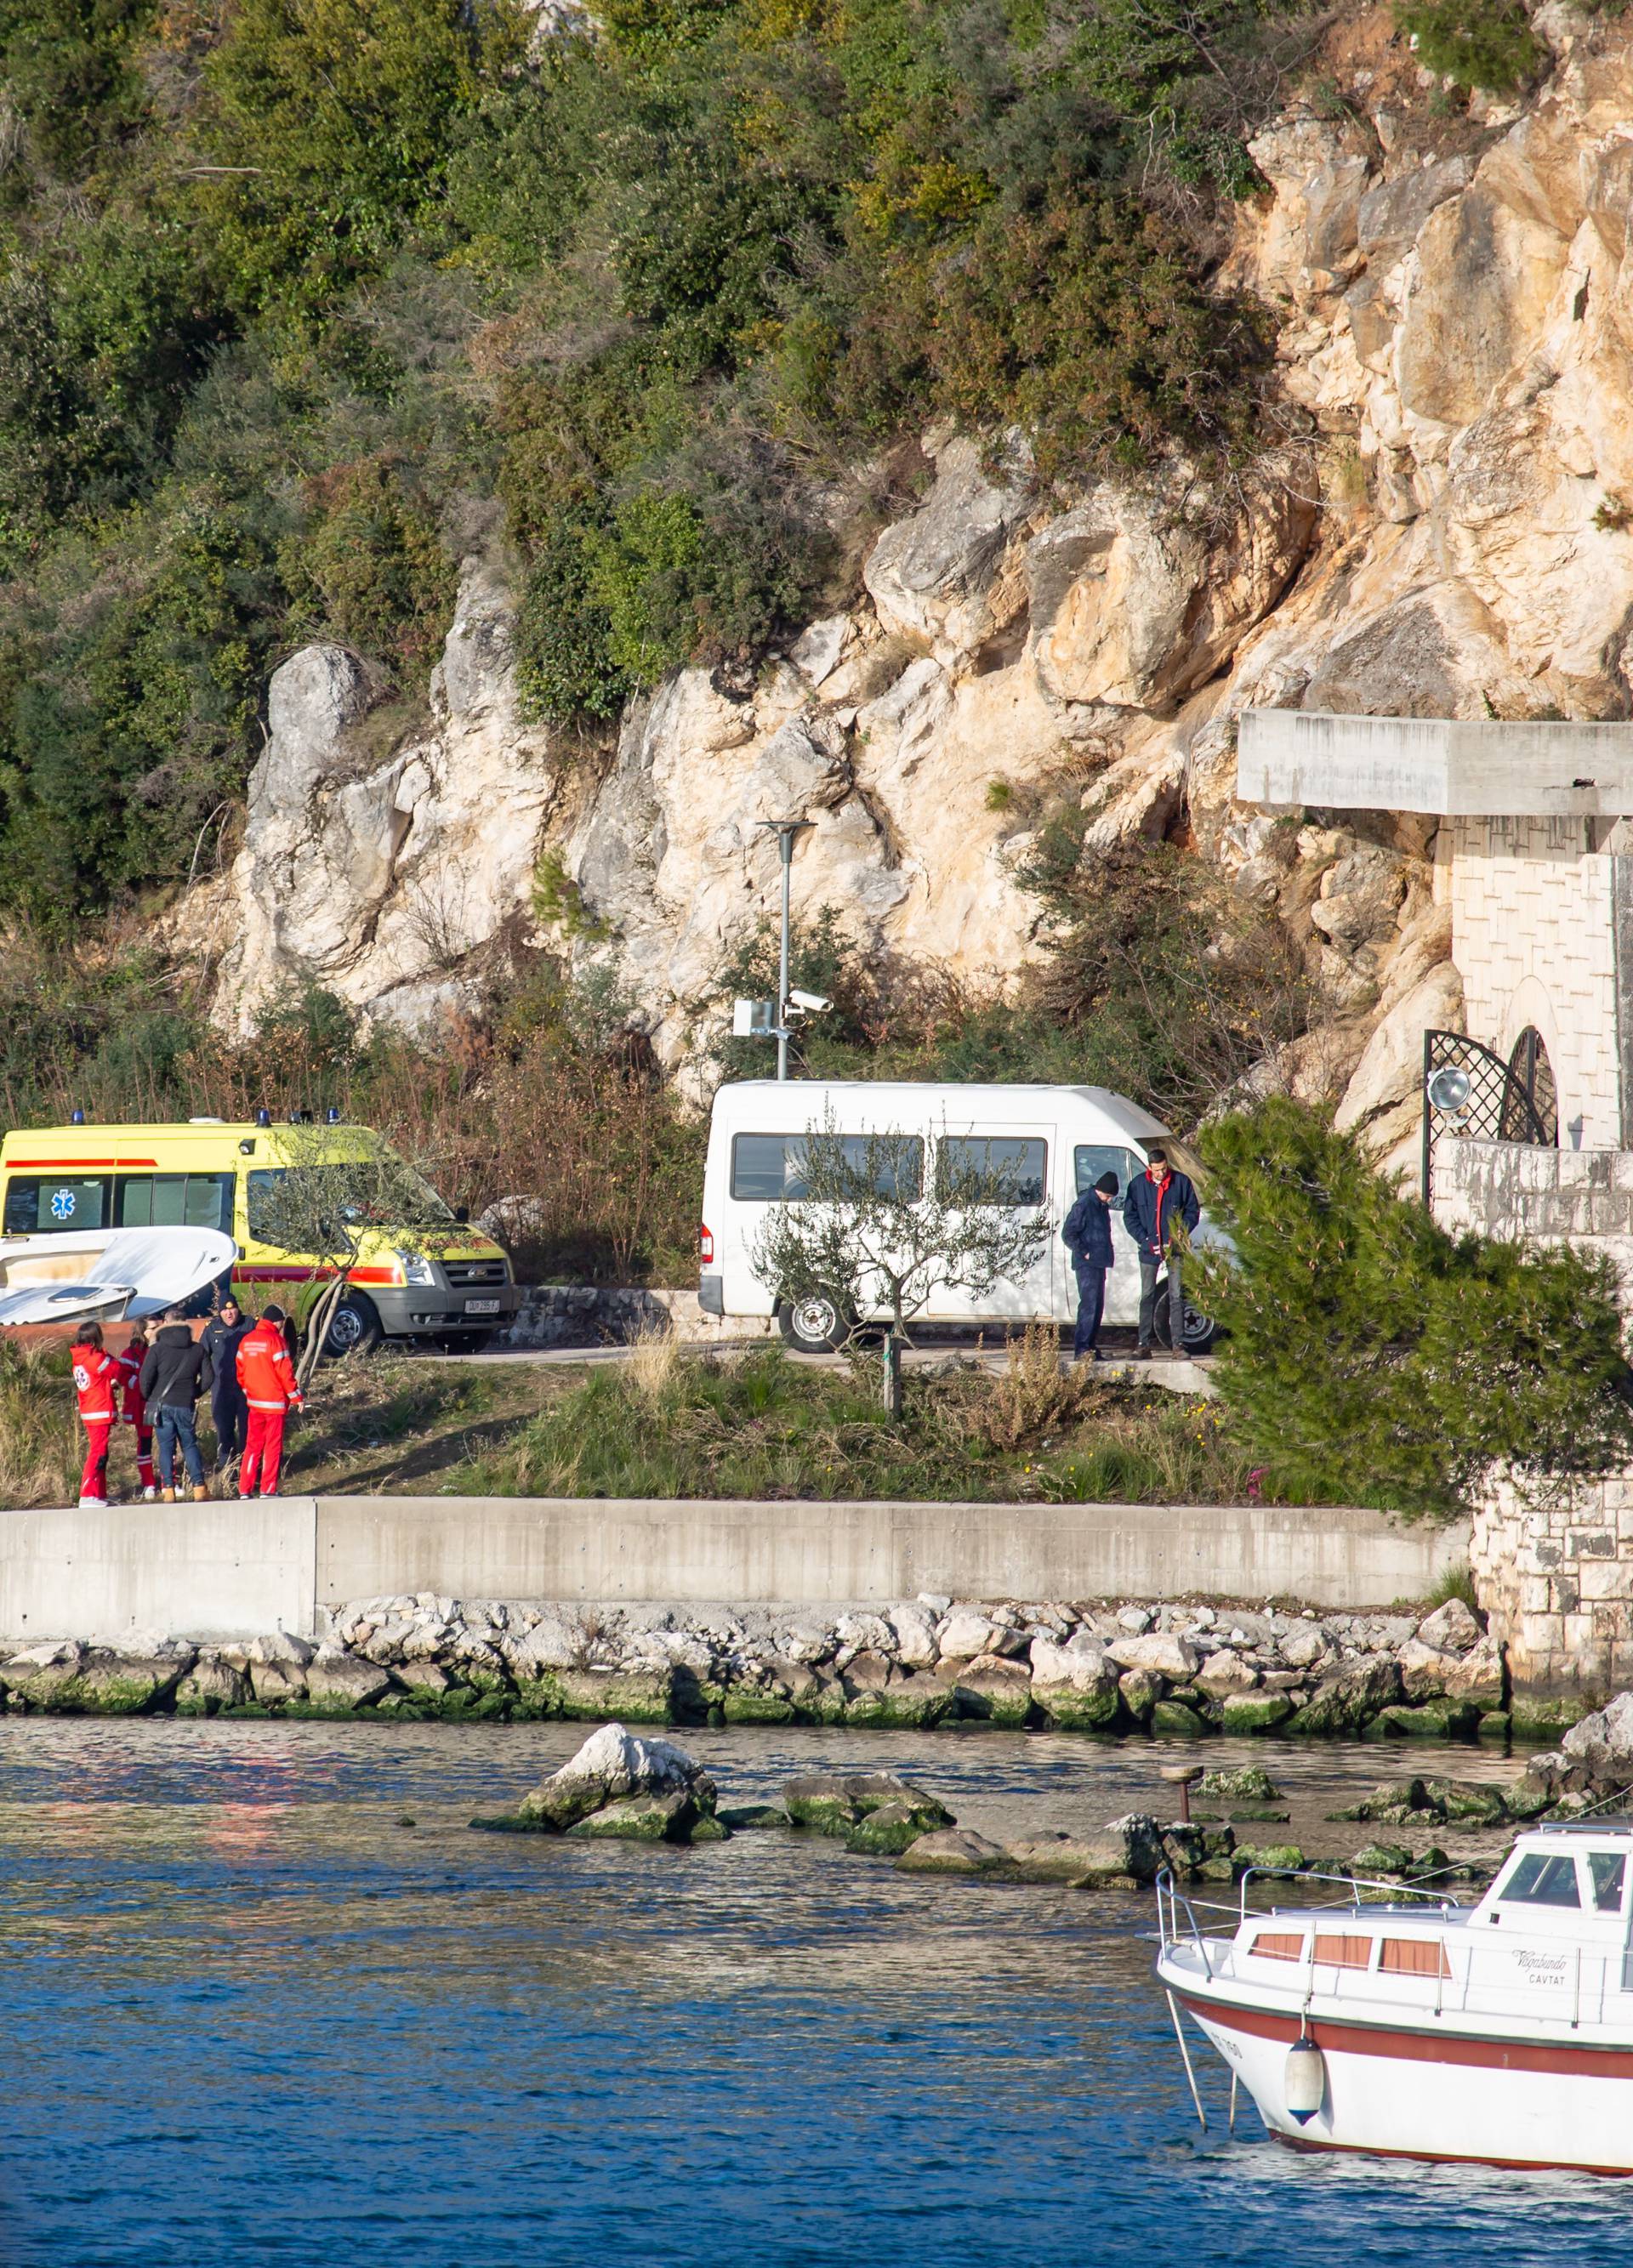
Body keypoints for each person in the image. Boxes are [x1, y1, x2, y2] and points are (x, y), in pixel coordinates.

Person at [1122, 1141, 1201, 1360]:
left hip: (1174, 1248)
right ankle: (1143, 1344)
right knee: (1147, 1295)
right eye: (1157, 1170)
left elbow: (1192, 1212)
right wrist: (1144, 1239)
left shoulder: (1181, 1183)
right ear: (1150, 1168)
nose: (1161, 1173)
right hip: (1149, 1249)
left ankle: (1178, 1345)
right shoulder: (1138, 1185)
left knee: (1176, 1295)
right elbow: (1130, 1216)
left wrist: (1178, 1234)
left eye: (1164, 1168)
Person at [139, 1306, 214, 1502]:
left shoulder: (156, 1349)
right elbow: (209, 1377)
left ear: (166, 1324)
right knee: (189, 1445)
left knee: (166, 1448)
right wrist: (194, 1392)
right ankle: (199, 1488)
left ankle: (169, 1491)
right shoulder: (197, 1349)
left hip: (162, 1404)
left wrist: (150, 1396)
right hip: (185, 1404)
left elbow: (145, 1378)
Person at [236, 1304, 304, 1499]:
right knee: (272, 1447)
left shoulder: (246, 1341)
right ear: (277, 1321)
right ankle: (268, 1489)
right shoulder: (277, 1341)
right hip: (274, 1405)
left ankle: (244, 1490)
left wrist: (248, 1391)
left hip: (254, 1403)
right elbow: (285, 1374)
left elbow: (240, 1372)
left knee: (252, 1447)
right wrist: (297, 1397)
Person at [1061, 1169, 1120, 1362]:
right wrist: (1084, 1251)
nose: (1110, 1200)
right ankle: (1082, 1348)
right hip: (1087, 1263)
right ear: (1100, 1191)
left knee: (1097, 1305)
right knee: (1089, 1305)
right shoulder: (1085, 1204)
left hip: (1098, 1262)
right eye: (1108, 1196)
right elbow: (1068, 1233)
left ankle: (1090, 1347)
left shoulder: (1100, 1205)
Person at [71, 1321, 122, 1510]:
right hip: (99, 1409)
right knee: (98, 1453)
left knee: (101, 1453)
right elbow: (116, 1368)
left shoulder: (79, 1357)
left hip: (89, 1409)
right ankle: (87, 1494)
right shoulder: (97, 1359)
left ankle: (98, 1492)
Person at [202, 1296, 253, 1480]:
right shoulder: (211, 1329)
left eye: (232, 1309)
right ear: (220, 1312)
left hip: (247, 1389)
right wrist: (204, 1382)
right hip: (222, 1389)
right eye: (225, 1310)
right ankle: (228, 1472)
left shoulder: (250, 1325)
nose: (229, 1313)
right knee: (224, 1429)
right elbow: (202, 1357)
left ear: (238, 1309)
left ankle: (249, 1472)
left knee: (248, 1430)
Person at [112, 1318, 157, 1502]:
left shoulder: (160, 1349)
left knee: (168, 1443)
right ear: (143, 1332)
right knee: (145, 1443)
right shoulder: (130, 1354)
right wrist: (140, 1385)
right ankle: (149, 1483)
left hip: (159, 1402)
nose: (157, 1330)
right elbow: (122, 1375)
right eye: (153, 1328)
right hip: (141, 1406)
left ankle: (173, 1481)